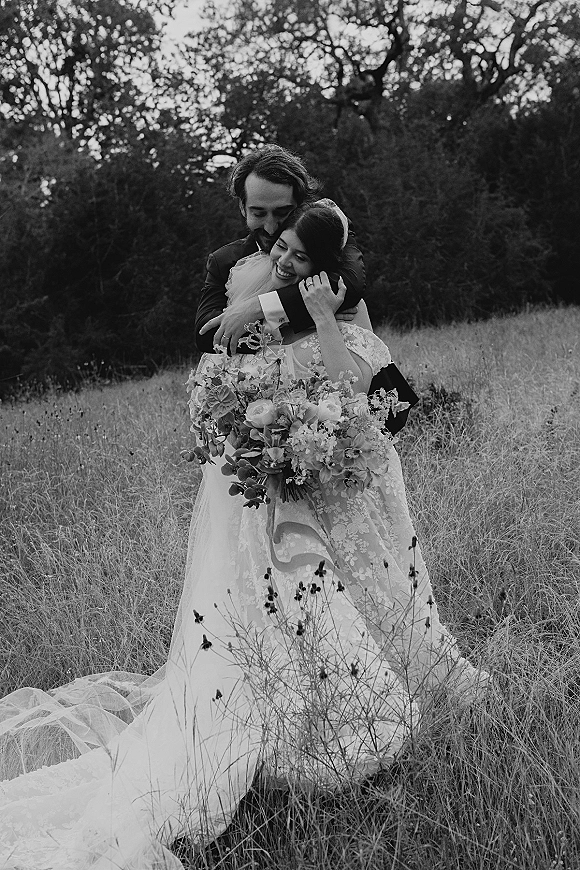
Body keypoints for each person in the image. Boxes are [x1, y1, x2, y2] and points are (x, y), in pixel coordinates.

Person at [0, 204, 487, 870]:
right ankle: (287, 735)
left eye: (297, 256)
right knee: (291, 611)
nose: (282, 261)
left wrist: (321, 331)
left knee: (366, 598)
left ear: (325, 270)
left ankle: (356, 714)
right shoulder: (262, 327)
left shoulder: (343, 321)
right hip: (282, 505)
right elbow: (223, 403)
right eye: (280, 248)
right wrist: (268, 441)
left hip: (350, 499)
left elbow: (389, 411)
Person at [195, 144, 417, 433]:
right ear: (242, 207)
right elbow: (206, 334)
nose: (272, 227)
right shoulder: (225, 261)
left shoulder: (326, 233)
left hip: (340, 420)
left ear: (300, 204)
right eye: (258, 212)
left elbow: (350, 284)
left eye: (283, 212)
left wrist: (258, 306)